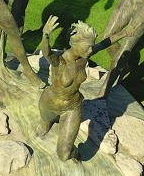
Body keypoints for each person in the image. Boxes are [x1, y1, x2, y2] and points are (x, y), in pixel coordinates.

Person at [37, 16, 117, 161]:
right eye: (88, 46)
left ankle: (74, 152)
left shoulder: (84, 56)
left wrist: (125, 33)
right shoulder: (60, 61)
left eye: (91, 46)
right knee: (44, 125)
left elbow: (104, 44)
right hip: (49, 103)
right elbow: (47, 53)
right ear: (74, 44)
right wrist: (46, 35)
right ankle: (46, 123)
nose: (91, 50)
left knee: (64, 155)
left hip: (72, 107)